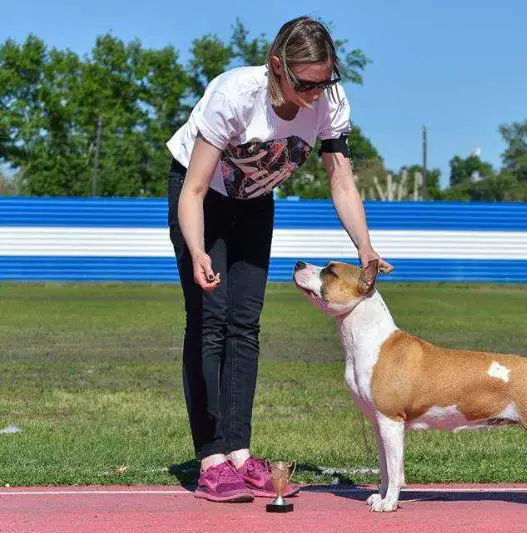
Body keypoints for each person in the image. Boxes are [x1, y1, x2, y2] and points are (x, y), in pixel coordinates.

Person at [165, 16, 393, 503]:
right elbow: (194, 187)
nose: (315, 93)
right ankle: (210, 457)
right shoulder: (234, 95)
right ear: (277, 67)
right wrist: (198, 249)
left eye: (324, 80)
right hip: (200, 197)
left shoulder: (329, 102)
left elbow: (342, 180)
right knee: (209, 317)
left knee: (245, 322)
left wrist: (364, 245)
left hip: (253, 201)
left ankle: (239, 451)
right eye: (304, 82)